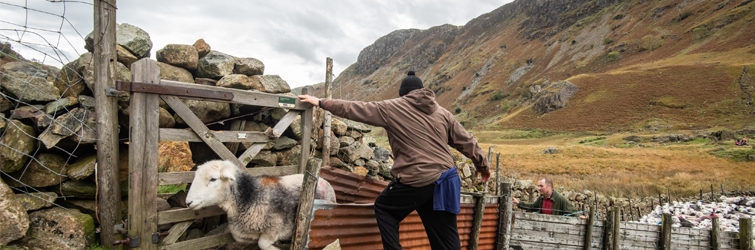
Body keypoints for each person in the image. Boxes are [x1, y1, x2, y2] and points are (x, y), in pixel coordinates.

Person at [298, 71, 490, 250]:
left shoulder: (392, 108)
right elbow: (467, 141)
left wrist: (321, 102)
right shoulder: (443, 113)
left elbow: (355, 108)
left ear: (403, 94)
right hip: (447, 180)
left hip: (418, 179)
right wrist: (483, 166)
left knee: (384, 208)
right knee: (445, 241)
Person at [512, 178, 586, 218]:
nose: (539, 188)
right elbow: (533, 207)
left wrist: (578, 216)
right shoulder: (541, 198)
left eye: (541, 186)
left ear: (549, 186)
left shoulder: (560, 199)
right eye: (538, 186)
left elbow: (571, 210)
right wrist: (518, 203)